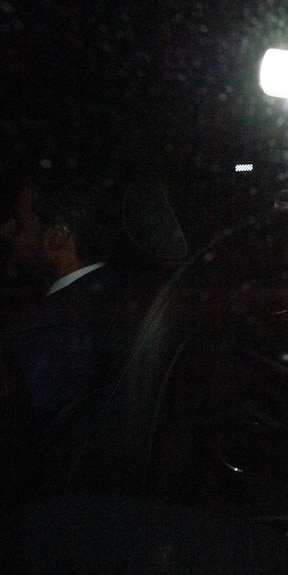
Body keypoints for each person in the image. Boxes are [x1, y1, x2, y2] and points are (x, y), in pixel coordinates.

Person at [1, 162, 133, 504]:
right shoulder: (114, 294)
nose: (7, 231)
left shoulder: (53, 330)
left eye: (19, 221)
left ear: (58, 234)